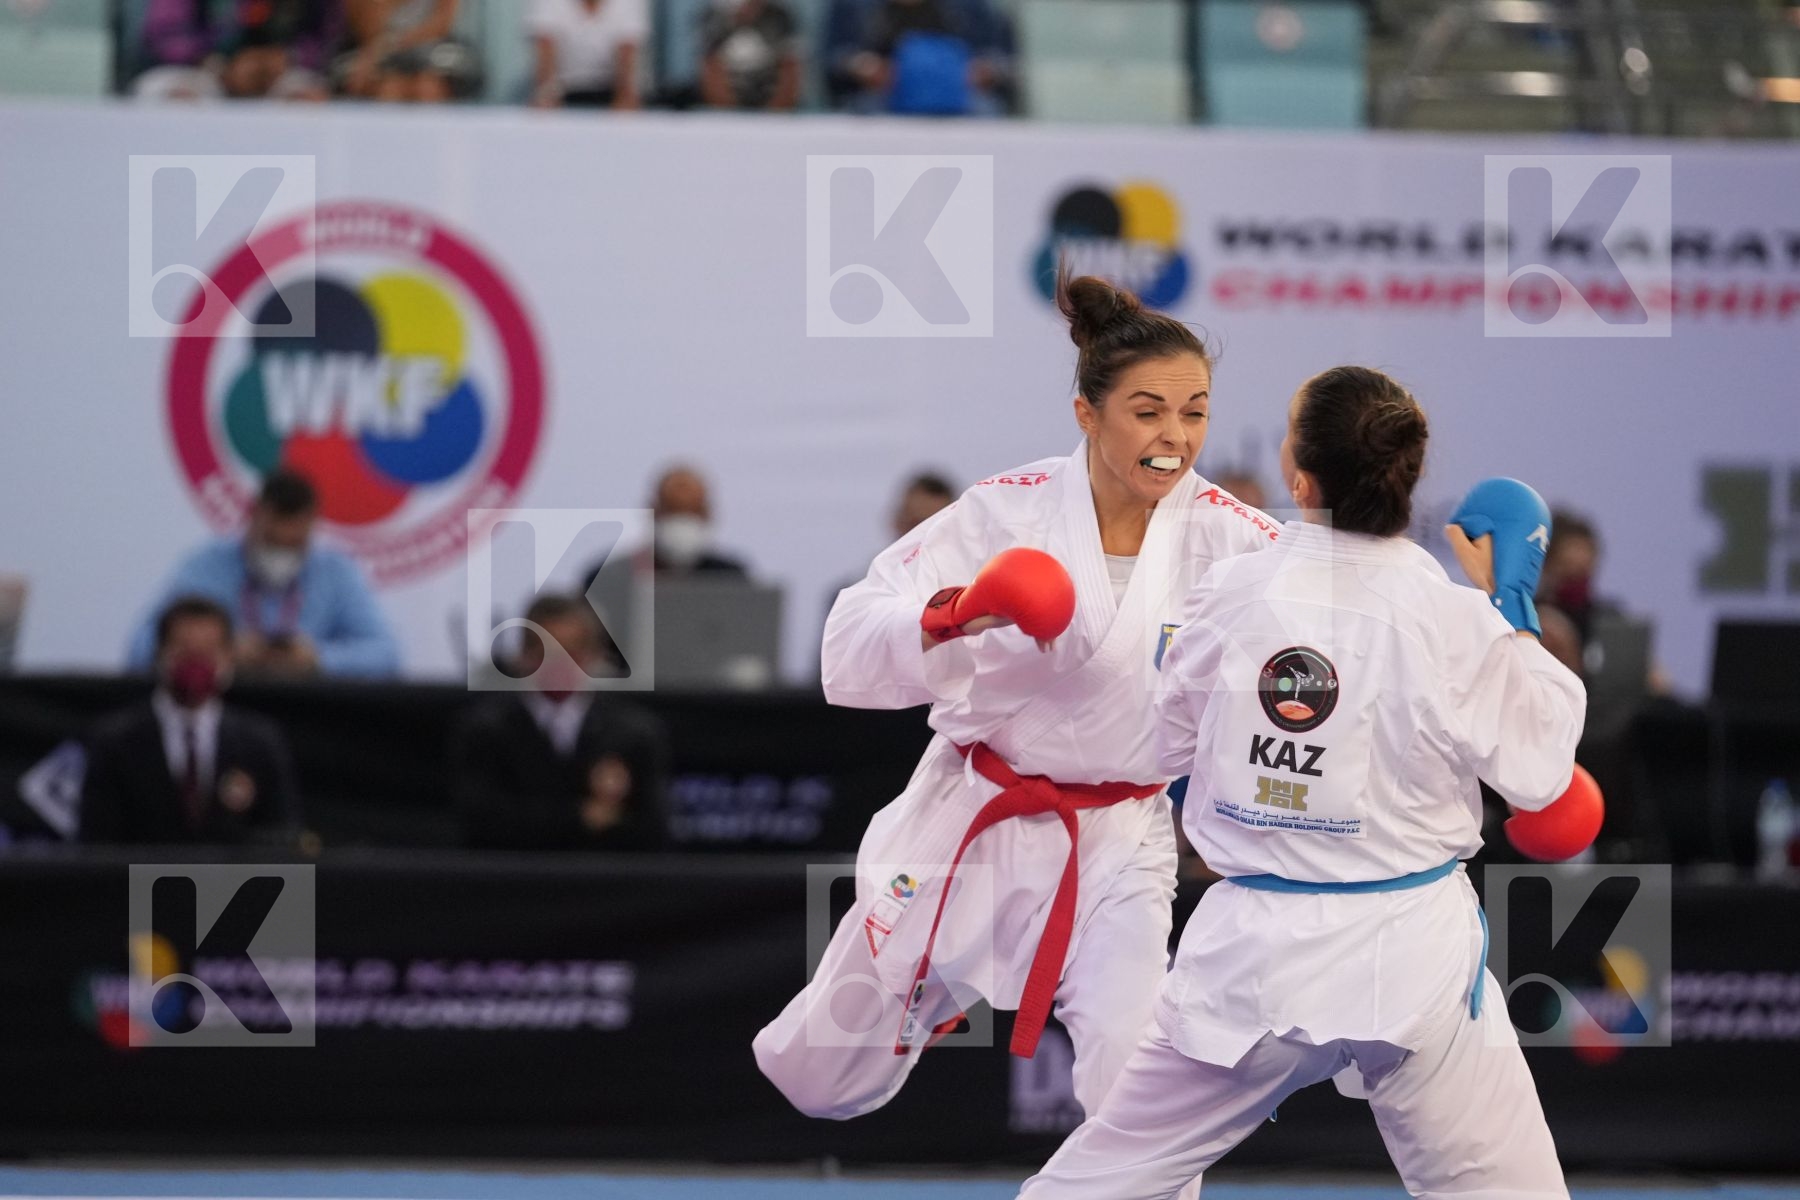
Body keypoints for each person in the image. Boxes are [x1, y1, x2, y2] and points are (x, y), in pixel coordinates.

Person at [1017, 367, 1586, 1199]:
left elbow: (1166, 743)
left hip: (1252, 963)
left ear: (1301, 478)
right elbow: (1539, 776)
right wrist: (1513, 602)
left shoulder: (1230, 594)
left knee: (1097, 1182)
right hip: (1412, 956)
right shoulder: (1453, 619)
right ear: (1406, 477)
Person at [752, 274, 1279, 1149]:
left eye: (1195, 413)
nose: (1175, 437)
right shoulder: (1008, 510)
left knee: (1135, 1081)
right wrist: (955, 612)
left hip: (1118, 840)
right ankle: (932, 994)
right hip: (976, 817)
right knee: (822, 1076)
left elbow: (1343, 632)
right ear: (1087, 415)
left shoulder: (1234, 540)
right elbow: (850, 635)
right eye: (1148, 411)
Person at [127, 469, 401, 679]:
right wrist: (218, 652)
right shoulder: (206, 566)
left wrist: (318, 659)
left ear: (311, 529)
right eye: (271, 540)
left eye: (294, 544)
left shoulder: (336, 571)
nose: (281, 552)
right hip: (227, 710)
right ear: (252, 519)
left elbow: (386, 654)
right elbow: (140, 648)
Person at [451, 594, 668, 850]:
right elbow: (479, 822)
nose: (558, 664)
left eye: (572, 652)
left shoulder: (634, 733)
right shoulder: (486, 729)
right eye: (545, 652)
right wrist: (579, 817)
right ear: (523, 655)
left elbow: (653, 828)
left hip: (602, 872)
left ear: (595, 655)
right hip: (513, 872)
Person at [82, 596, 302, 847]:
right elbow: (96, 845)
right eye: (185, 651)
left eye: (208, 652)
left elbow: (283, 836)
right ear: (159, 654)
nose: (196, 663)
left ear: (229, 657)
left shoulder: (259, 741)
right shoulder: (115, 740)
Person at [337, 0, 479, 101]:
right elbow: (369, 32)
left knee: (427, 87)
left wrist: (395, 43)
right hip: (381, 54)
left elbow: (442, 25)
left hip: (431, 52)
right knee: (390, 89)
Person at [527, 0, 647, 109]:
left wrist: (625, 97)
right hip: (563, 88)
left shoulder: (628, 3)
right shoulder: (548, 3)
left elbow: (627, 55)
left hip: (610, 88)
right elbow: (546, 53)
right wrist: (545, 95)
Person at [699, 0, 803, 110]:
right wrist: (729, 112)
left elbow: (791, 67)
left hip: (770, 99)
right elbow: (710, 67)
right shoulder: (716, 19)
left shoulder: (779, 17)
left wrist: (776, 111)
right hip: (728, 102)